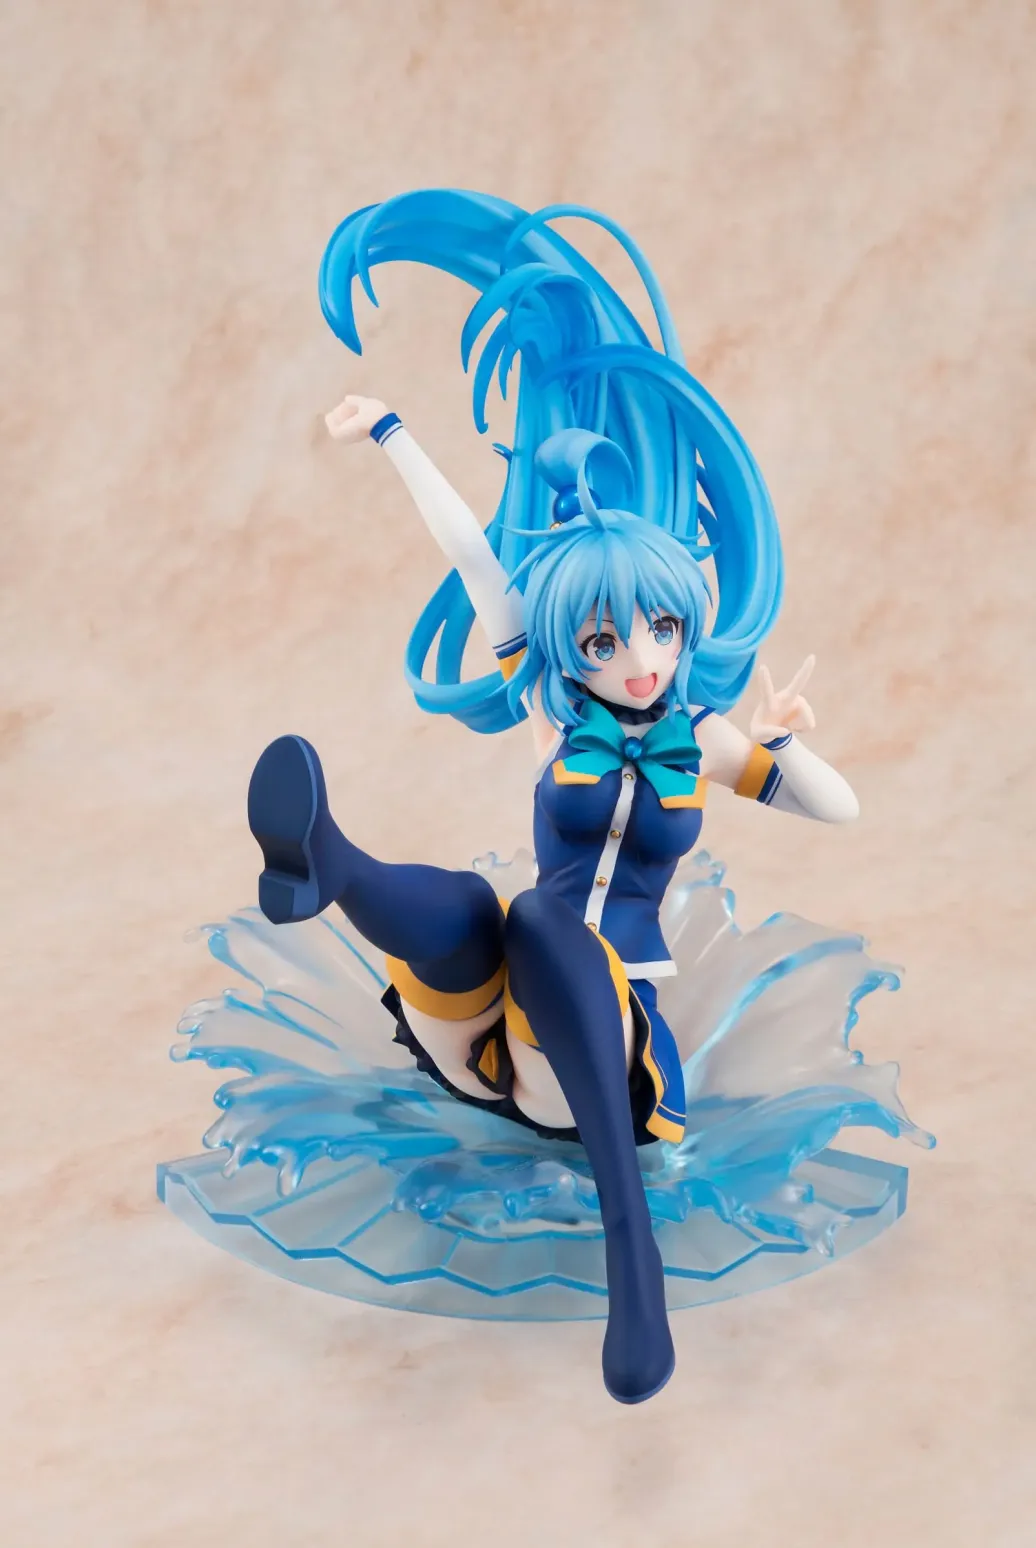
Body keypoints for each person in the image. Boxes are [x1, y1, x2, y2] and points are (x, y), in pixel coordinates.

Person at [246, 191, 858, 1404]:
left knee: (540, 922)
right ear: (571, 642)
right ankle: (329, 863)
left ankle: (634, 1263)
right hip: (483, 1030)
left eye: (659, 629)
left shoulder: (703, 739)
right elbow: (471, 552)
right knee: (484, 912)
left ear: (684, 625)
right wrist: (392, 434)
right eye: (604, 638)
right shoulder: (549, 704)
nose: (636, 659)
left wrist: (783, 747)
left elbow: (835, 811)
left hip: (592, 1066)